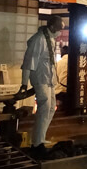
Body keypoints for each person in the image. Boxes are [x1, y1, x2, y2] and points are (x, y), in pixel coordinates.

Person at [18, 14, 64, 159]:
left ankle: (40, 139)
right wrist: (24, 84)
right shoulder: (38, 39)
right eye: (59, 29)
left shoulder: (50, 39)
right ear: (51, 27)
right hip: (40, 79)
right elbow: (28, 63)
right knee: (44, 108)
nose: (60, 32)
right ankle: (37, 143)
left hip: (49, 80)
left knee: (50, 108)